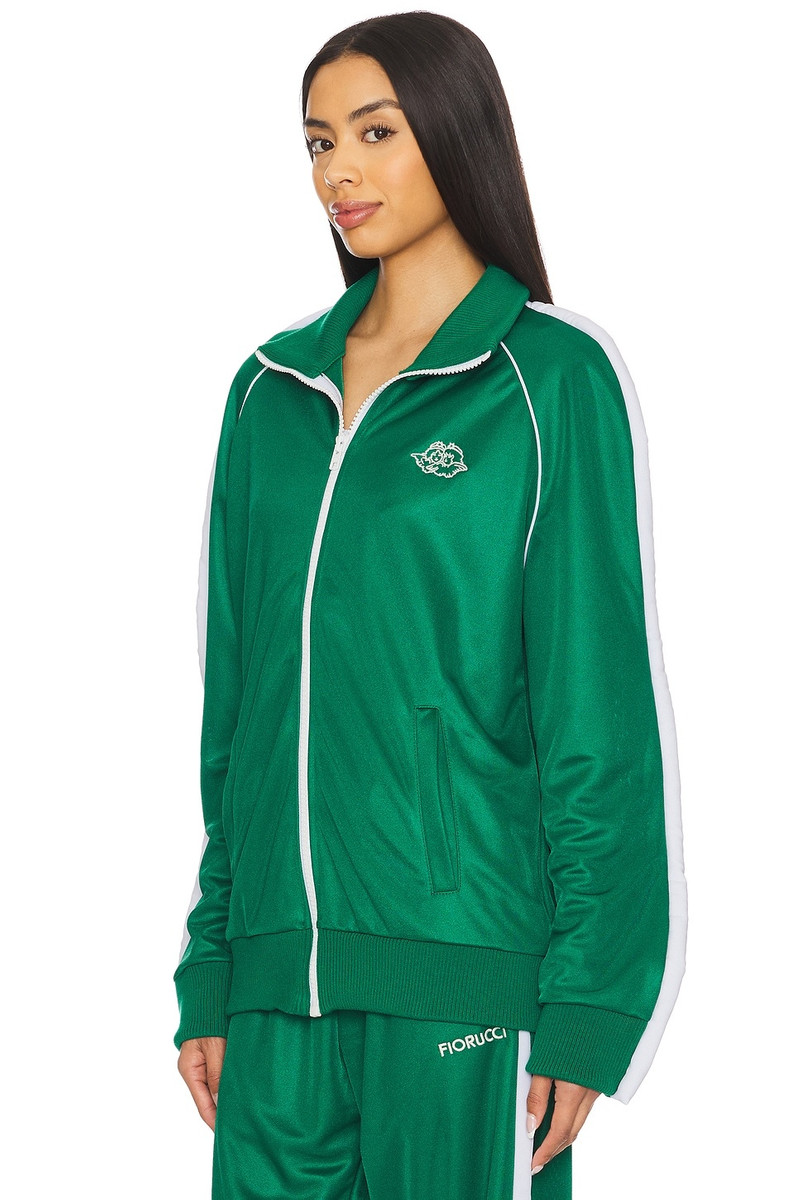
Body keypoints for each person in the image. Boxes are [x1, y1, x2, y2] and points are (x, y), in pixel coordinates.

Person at [172, 12, 688, 1199]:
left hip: (465, 969)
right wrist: (214, 967)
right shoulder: (268, 393)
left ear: (455, 135)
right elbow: (237, 714)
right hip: (275, 993)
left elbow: (597, 712)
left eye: (374, 133)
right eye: (316, 142)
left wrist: (587, 1001)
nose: (336, 173)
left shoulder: (544, 378)